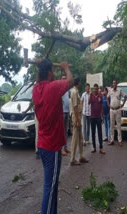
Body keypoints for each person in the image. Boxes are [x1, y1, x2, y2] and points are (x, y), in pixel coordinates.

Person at [32, 58, 73, 214]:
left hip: (42, 145)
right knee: (49, 187)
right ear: (49, 72)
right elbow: (69, 81)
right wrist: (66, 67)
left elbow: (41, 79)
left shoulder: (37, 89)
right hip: (52, 146)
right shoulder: (53, 88)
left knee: (53, 185)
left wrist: (41, 66)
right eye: (53, 71)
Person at [70, 77, 89, 166]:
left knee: (80, 138)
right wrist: (77, 120)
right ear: (78, 83)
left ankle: (81, 156)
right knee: (75, 138)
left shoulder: (76, 91)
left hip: (78, 117)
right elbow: (75, 107)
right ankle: (72, 159)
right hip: (76, 117)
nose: (81, 84)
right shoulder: (74, 92)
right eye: (80, 82)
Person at [107, 80, 127, 147]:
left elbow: (125, 96)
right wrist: (109, 105)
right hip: (112, 110)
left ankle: (119, 140)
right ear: (112, 84)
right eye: (113, 83)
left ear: (117, 84)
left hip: (118, 109)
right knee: (111, 125)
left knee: (118, 125)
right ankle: (112, 140)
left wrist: (123, 104)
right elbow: (107, 97)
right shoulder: (110, 91)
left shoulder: (119, 90)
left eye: (115, 83)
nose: (114, 84)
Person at [89, 84, 105, 154]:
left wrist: (102, 116)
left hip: (98, 117)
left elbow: (101, 107)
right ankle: (94, 147)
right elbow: (89, 103)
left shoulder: (100, 96)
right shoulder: (91, 95)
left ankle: (101, 147)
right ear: (93, 89)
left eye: (96, 89)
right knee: (93, 132)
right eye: (94, 89)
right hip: (92, 117)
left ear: (98, 89)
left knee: (100, 133)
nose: (95, 90)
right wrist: (90, 96)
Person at [61, 75, 71, 156]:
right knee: (61, 131)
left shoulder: (67, 89)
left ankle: (65, 147)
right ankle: (61, 149)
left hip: (67, 111)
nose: (64, 80)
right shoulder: (60, 89)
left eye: (65, 79)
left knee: (66, 131)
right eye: (63, 79)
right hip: (62, 112)